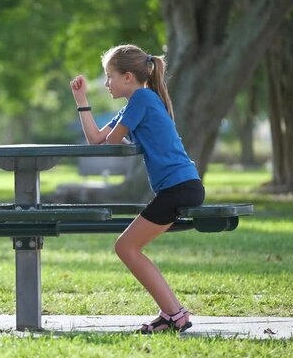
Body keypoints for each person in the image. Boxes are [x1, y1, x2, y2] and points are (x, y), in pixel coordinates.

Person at [70, 44, 204, 333]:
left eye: (109, 77)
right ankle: (173, 314)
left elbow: (113, 139)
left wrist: (117, 130)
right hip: (180, 187)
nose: (106, 83)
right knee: (128, 246)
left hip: (179, 187)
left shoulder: (141, 98)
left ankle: (174, 314)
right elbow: (95, 138)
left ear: (128, 77)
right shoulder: (136, 103)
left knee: (127, 246)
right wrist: (81, 99)